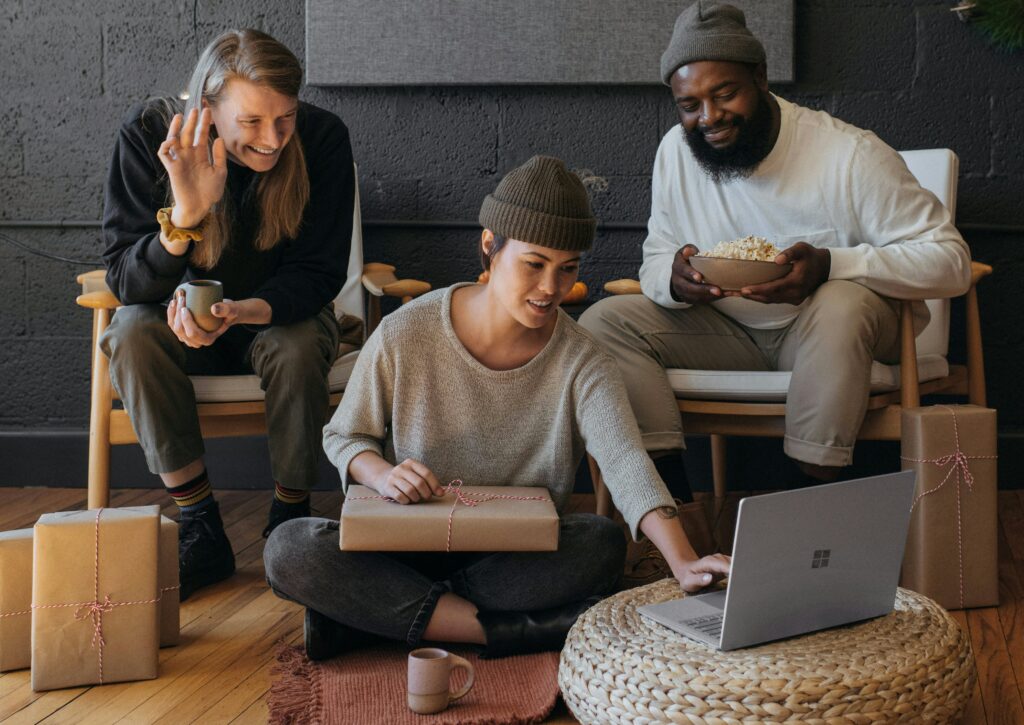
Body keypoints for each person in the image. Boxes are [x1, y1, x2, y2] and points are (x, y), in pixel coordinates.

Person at [264, 155, 730, 660]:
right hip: (403, 546)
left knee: (599, 542)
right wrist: (381, 475)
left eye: (567, 268)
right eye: (534, 264)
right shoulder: (406, 331)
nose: (550, 288)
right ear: (490, 245)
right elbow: (344, 435)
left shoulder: (584, 360)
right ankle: (504, 631)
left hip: (512, 557)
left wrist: (683, 561)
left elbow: (623, 460)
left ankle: (376, 622)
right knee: (289, 548)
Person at [579, 1, 972, 495]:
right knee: (603, 322)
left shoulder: (849, 154)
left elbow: (951, 261)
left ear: (761, 78)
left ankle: (802, 500)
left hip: (839, 335)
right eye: (690, 105)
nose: (709, 117)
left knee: (841, 300)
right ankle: (671, 511)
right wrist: (673, 279)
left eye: (725, 94)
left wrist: (831, 265)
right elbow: (657, 255)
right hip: (727, 333)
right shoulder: (676, 152)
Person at [100, 29, 356, 600]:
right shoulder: (148, 136)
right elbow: (125, 280)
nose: (273, 139)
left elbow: (318, 272)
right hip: (178, 327)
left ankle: (289, 516)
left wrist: (245, 311)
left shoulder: (322, 138)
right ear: (208, 107)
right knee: (131, 333)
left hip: (277, 318)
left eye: (285, 118)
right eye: (252, 122)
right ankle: (200, 523)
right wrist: (186, 216)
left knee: (295, 344)